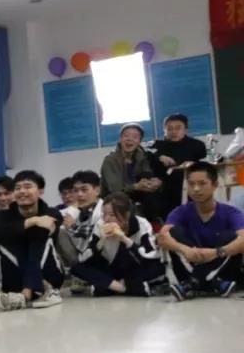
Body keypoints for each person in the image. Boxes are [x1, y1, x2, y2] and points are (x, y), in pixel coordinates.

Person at [157, 161, 244, 300]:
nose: (196, 189)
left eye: (202, 183)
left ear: (215, 185)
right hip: (191, 268)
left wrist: (216, 253)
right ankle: (212, 283)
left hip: (223, 272)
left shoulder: (230, 212)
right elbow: (162, 237)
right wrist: (185, 250)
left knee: (231, 236)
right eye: (191, 184)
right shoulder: (180, 211)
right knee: (174, 232)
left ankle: (193, 283)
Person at [0, 170, 65, 311]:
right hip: (15, 279)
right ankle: (39, 289)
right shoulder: (3, 215)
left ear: (40, 191)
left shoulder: (51, 212)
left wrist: (19, 230)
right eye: (18, 188)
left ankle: (31, 292)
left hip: (50, 274)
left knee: (39, 234)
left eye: (28, 186)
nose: (22, 191)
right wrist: (32, 221)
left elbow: (47, 229)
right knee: (2, 241)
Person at [69, 193, 163, 297]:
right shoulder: (100, 224)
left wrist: (125, 239)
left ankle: (107, 287)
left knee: (158, 267)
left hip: (135, 268)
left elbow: (149, 256)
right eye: (104, 214)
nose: (106, 219)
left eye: (112, 215)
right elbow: (85, 258)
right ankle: (124, 287)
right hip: (111, 269)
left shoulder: (141, 224)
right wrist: (101, 241)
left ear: (126, 215)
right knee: (76, 267)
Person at [100, 124, 162, 220]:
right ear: (120, 139)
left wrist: (154, 183)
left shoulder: (141, 156)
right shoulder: (110, 160)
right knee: (123, 201)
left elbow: (147, 174)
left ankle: (156, 223)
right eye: (126, 136)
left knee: (156, 196)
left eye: (135, 137)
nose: (130, 139)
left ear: (139, 141)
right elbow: (115, 189)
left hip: (134, 193)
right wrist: (136, 186)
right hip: (114, 197)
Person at [151, 113, 208, 214]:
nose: (173, 131)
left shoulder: (197, 145)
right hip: (165, 186)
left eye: (178, 128)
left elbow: (207, 163)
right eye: (169, 128)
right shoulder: (157, 146)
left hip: (191, 183)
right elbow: (144, 153)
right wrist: (159, 156)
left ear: (185, 130)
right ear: (164, 130)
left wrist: (193, 164)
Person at [57, 170, 103, 270]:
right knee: (58, 230)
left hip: (102, 259)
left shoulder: (104, 209)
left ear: (97, 190)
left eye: (84, 190)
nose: (79, 194)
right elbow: (56, 215)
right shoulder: (76, 209)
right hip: (83, 258)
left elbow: (96, 232)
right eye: (75, 190)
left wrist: (73, 227)